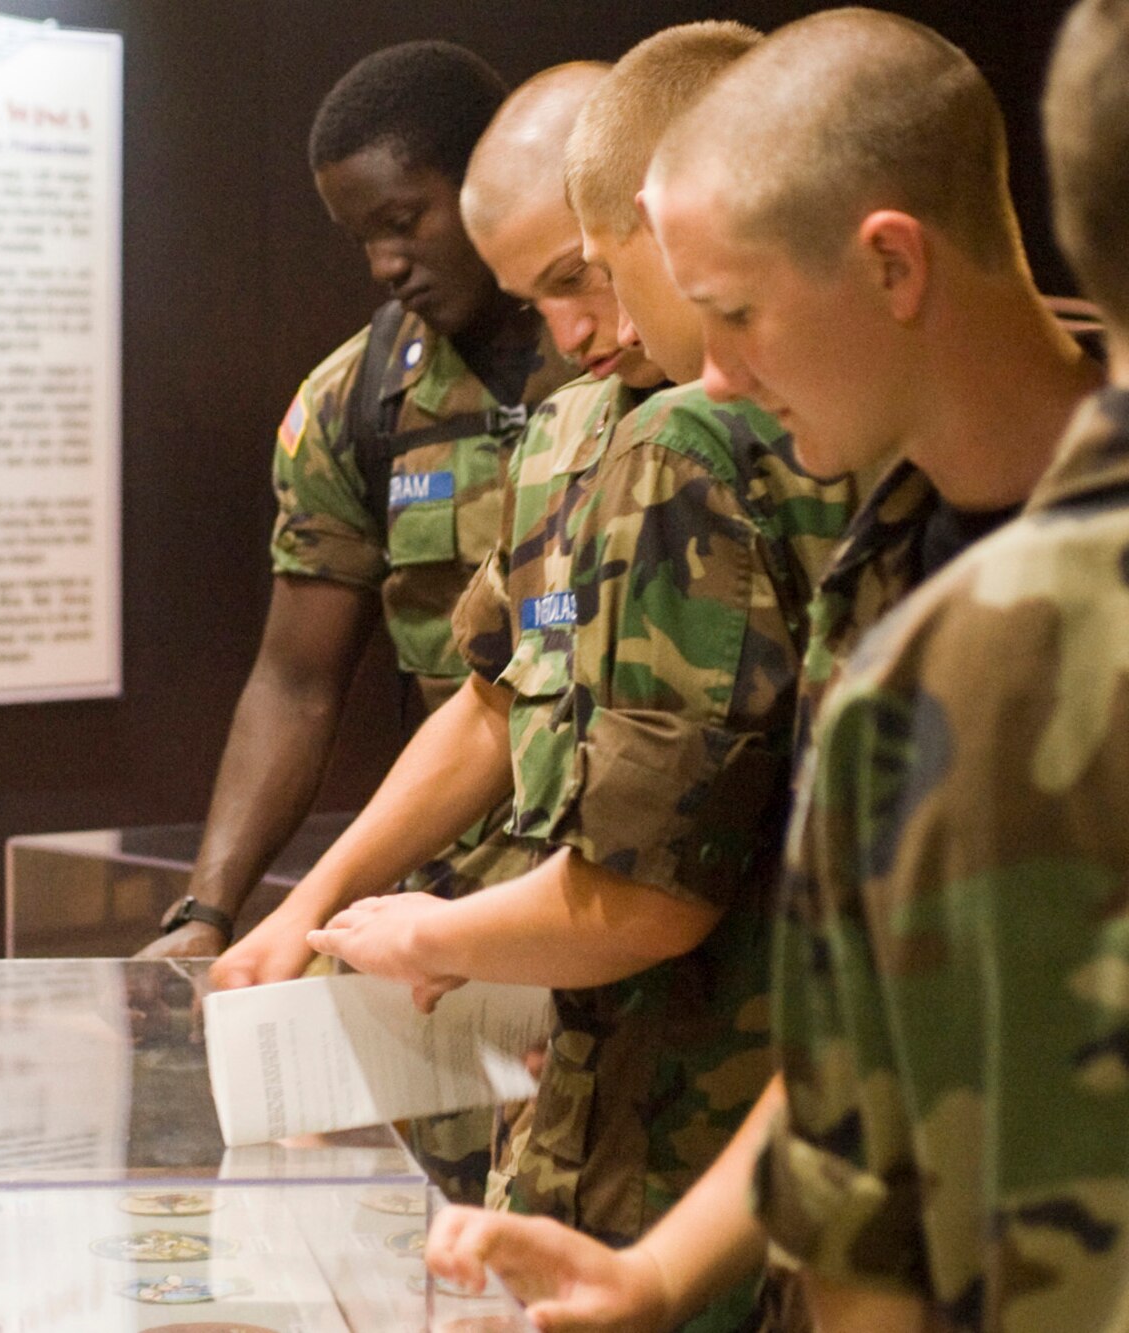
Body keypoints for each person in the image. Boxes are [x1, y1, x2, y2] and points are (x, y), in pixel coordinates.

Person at [425, 11, 1109, 1331]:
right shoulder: (881, 561)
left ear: (891, 265)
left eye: (736, 314)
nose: (711, 374)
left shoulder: (1053, 593)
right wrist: (659, 1272)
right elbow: (865, 1031)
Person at [233, 34, 857, 1330]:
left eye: (584, 280)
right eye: (545, 298)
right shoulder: (573, 434)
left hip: (755, 1080)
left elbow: (654, 893)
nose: (582, 335)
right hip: (581, 1088)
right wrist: (329, 896)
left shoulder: (792, 436)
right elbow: (494, 692)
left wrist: (431, 934)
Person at [139, 41, 572, 961]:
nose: (384, 263)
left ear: (485, 177)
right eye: (364, 238)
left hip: (615, 866)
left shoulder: (626, 354)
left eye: (406, 221)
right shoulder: (354, 402)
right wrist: (208, 909)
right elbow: (295, 680)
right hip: (442, 891)